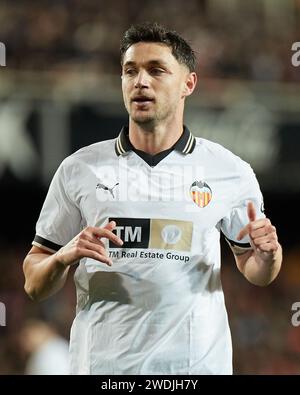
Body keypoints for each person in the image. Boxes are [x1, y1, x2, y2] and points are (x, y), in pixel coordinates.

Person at [23, 22, 282, 375]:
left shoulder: (229, 171)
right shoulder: (79, 168)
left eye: (156, 70)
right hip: (103, 371)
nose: (140, 81)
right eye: (130, 71)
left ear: (188, 84)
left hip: (192, 372)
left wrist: (268, 255)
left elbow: (256, 270)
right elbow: (34, 284)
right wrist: (63, 257)